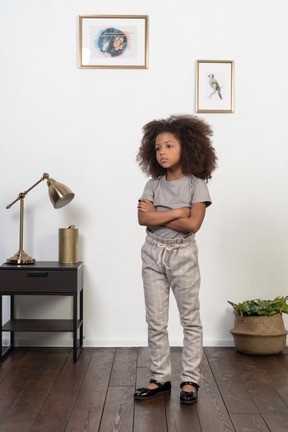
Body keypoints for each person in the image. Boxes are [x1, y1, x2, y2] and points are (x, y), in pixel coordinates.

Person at [134, 114, 217, 404]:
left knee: (190, 319)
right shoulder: (152, 184)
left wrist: (160, 214)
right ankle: (160, 378)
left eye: (169, 146)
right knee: (155, 320)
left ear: (188, 148)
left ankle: (190, 380)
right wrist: (178, 212)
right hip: (152, 253)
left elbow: (193, 225)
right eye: (157, 148)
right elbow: (143, 218)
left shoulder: (197, 185)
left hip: (183, 255)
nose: (162, 153)